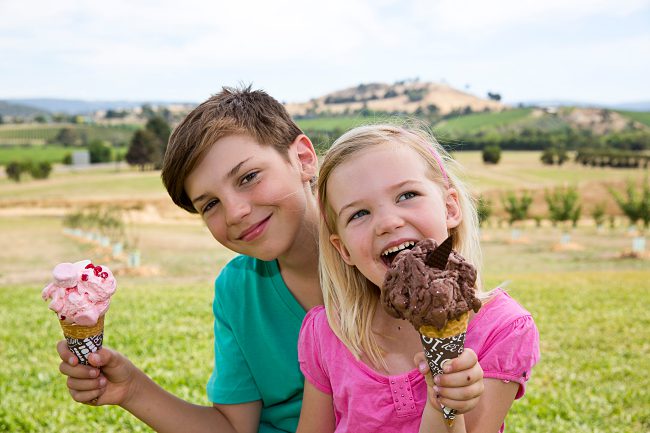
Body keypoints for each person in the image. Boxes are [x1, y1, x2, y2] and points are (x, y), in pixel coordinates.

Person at [55, 88, 484, 433]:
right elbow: (234, 426)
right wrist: (133, 390)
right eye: (210, 205)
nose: (236, 211)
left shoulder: (399, 260)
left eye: (248, 177)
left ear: (301, 157)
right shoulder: (237, 290)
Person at [297, 124, 540, 432]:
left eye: (407, 195)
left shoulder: (502, 328)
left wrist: (446, 405)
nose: (387, 222)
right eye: (358, 213)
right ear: (343, 249)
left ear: (450, 208)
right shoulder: (328, 332)